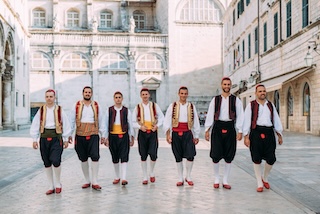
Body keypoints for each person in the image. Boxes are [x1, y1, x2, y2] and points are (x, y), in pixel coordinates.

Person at [204, 77, 244, 189]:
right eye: (225, 84)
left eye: (228, 84)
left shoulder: (236, 100)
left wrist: (240, 130)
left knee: (229, 154)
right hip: (217, 127)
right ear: (221, 85)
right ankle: (216, 178)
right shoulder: (215, 100)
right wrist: (207, 129)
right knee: (215, 154)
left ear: (230, 86)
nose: (227, 86)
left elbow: (241, 115)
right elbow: (211, 113)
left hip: (230, 127)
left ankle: (225, 179)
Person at [243, 84, 283, 192]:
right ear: (256, 93)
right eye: (260, 91)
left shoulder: (270, 105)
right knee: (256, 158)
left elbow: (276, 119)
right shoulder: (251, 105)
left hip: (269, 132)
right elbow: (246, 120)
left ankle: (265, 178)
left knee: (271, 158)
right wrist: (246, 136)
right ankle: (259, 183)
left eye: (264, 91)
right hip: (256, 132)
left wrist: (279, 134)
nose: (262, 93)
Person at [30, 89, 71, 195]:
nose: (49, 98)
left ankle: (58, 183)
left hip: (56, 138)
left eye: (51, 96)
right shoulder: (41, 110)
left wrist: (66, 139)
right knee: (46, 162)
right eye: (47, 96)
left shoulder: (59, 110)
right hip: (44, 138)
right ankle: (50, 185)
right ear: (45, 98)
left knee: (56, 160)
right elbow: (35, 124)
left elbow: (66, 124)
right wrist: (34, 139)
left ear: (54, 97)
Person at [163, 86, 200, 186]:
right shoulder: (173, 106)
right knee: (177, 156)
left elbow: (195, 120)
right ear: (179, 94)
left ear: (187, 94)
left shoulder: (191, 106)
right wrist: (168, 134)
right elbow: (167, 120)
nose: (183, 95)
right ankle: (180, 177)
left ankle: (188, 175)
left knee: (190, 155)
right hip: (176, 133)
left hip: (187, 133)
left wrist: (196, 135)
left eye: (185, 93)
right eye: (182, 93)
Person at [69, 86, 103, 191]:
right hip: (80, 134)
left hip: (93, 133)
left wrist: (103, 135)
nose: (87, 94)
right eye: (86, 92)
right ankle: (87, 180)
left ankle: (95, 181)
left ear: (91, 94)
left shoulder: (96, 105)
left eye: (89, 92)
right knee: (83, 158)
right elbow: (71, 119)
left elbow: (100, 120)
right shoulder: (76, 105)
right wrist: (69, 134)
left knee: (95, 156)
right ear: (83, 93)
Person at [101, 91, 134, 186]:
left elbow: (130, 124)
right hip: (112, 136)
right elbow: (105, 123)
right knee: (114, 156)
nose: (118, 99)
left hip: (123, 136)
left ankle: (124, 178)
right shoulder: (109, 110)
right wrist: (105, 137)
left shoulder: (126, 111)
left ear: (122, 99)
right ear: (114, 99)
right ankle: (117, 176)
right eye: (116, 97)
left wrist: (131, 136)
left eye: (119, 97)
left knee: (124, 156)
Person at [132, 88, 164, 185]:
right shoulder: (137, 107)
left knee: (153, 153)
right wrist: (139, 127)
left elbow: (162, 117)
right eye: (143, 94)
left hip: (153, 132)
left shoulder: (154, 106)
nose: (145, 96)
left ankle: (152, 172)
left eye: (146, 94)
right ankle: (145, 175)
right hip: (142, 133)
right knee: (143, 155)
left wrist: (157, 126)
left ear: (149, 95)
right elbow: (133, 121)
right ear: (141, 96)